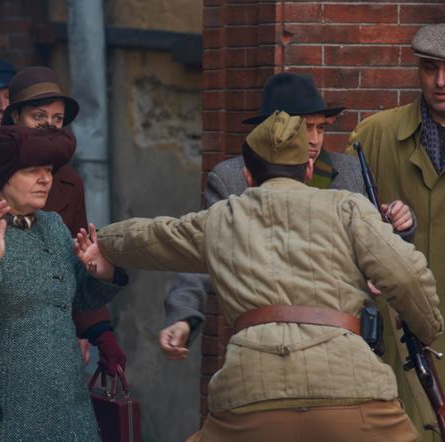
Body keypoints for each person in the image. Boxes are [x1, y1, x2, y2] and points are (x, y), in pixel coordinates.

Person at [76, 111, 443, 441]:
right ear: (309, 169)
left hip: (251, 392)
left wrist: (102, 243)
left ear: (247, 175)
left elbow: (153, 236)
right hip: (351, 389)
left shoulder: (223, 217)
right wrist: (430, 332)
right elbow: (408, 275)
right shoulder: (347, 207)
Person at [160, 72, 415, 360]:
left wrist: (401, 226)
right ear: (274, 130)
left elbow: (376, 247)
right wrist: (183, 316)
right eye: (305, 128)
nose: (315, 140)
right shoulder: (232, 180)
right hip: (269, 340)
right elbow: (201, 250)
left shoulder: (352, 173)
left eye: (321, 128)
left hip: (343, 341)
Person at [0, 125, 127, 440]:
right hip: (5, 413)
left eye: (48, 170)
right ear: (5, 176)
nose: (45, 179)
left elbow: (71, 301)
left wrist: (99, 272)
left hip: (69, 407)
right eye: (32, 170)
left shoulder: (53, 225)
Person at [0, 65, 126, 376]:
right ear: (15, 118)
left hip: (55, 346)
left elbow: (74, 269)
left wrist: (97, 332)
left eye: (57, 120)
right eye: (39, 117)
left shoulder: (68, 186)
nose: (49, 127)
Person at [348, 23, 445, 440]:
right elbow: (338, 228)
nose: (441, 82)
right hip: (396, 338)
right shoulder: (374, 136)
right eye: (429, 68)